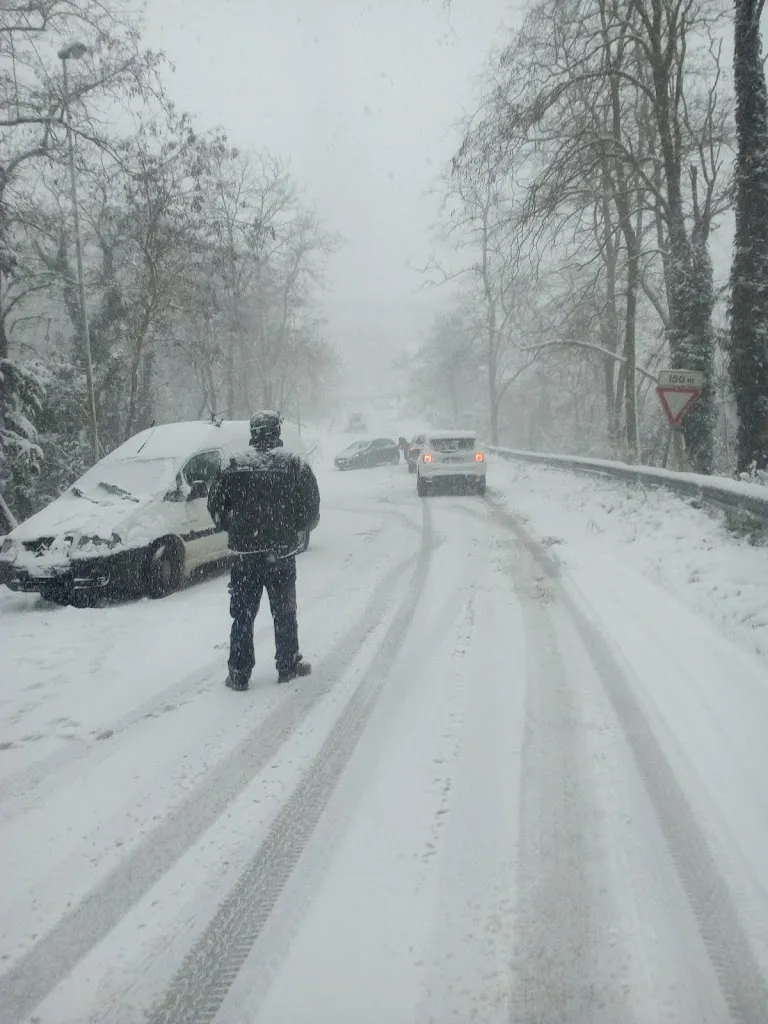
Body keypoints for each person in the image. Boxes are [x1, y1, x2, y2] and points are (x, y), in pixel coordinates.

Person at [207, 411, 321, 690]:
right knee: (284, 613)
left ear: (253, 432)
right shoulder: (294, 465)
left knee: (242, 616)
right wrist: (293, 528)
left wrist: (234, 527)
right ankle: (288, 665)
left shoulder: (233, 465)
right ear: (276, 432)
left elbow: (215, 506)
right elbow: (311, 509)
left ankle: (239, 673)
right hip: (281, 554)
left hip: (244, 556)